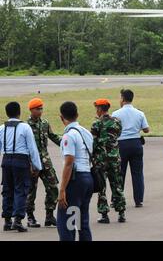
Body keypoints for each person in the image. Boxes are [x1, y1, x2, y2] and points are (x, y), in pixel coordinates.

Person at [1, 102, 42, 232]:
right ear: (19, 112)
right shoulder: (25, 127)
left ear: (7, 113)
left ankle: (7, 221)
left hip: (6, 160)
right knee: (21, 189)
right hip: (21, 161)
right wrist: (37, 166)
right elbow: (32, 148)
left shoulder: (2, 128)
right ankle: (18, 220)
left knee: (7, 190)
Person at [57, 101, 94, 241]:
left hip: (75, 180)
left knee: (67, 222)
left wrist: (62, 190)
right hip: (88, 178)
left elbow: (69, 162)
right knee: (81, 221)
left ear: (61, 117)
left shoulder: (69, 135)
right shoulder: (86, 133)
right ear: (77, 115)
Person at [26, 97, 61, 228]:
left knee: (53, 187)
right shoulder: (26, 126)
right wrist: (28, 164)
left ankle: (49, 215)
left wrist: (66, 142)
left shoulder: (45, 123)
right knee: (31, 190)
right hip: (32, 163)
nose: (40, 111)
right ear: (31, 110)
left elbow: (53, 137)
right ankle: (30, 216)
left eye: (41, 108)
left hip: (46, 162)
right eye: (37, 109)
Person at [112, 89, 149, 207]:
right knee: (137, 173)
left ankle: (117, 199)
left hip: (121, 145)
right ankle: (139, 200)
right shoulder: (139, 113)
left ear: (122, 99)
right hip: (136, 143)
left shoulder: (116, 114)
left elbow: (112, 130)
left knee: (119, 173)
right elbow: (146, 129)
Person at [91, 99, 126, 224]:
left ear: (100, 109)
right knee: (117, 185)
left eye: (97, 108)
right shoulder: (117, 121)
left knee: (102, 187)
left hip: (101, 159)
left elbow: (93, 142)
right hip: (115, 158)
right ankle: (121, 212)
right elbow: (118, 135)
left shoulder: (96, 123)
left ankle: (104, 214)